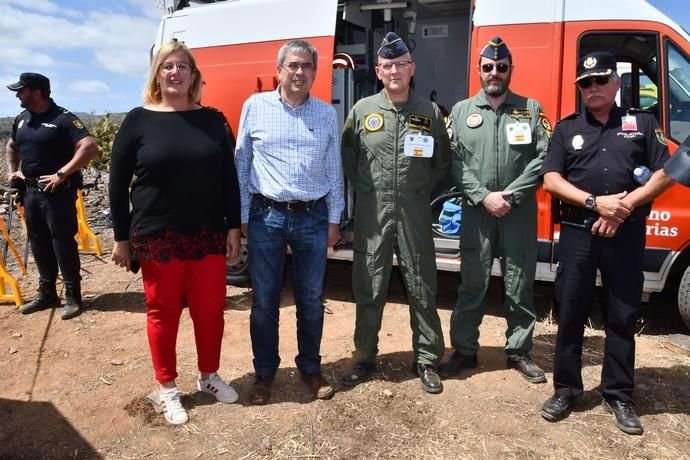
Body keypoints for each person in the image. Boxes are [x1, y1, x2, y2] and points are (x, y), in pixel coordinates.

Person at [539, 51, 674, 435]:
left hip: (625, 232)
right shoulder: (566, 130)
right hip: (579, 233)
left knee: (622, 313)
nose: (593, 88)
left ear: (616, 83)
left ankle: (618, 394)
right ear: (579, 89)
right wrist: (598, 204)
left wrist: (624, 207)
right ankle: (566, 389)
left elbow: (666, 173)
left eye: (600, 80)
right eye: (585, 83)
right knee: (569, 311)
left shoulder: (643, 123)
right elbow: (551, 179)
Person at [109, 41, 242, 425]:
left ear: (194, 75)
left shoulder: (214, 120)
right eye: (167, 66)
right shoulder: (137, 120)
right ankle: (167, 388)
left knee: (210, 311)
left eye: (183, 66)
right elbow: (117, 186)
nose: (175, 73)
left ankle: (209, 376)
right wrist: (121, 239)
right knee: (163, 313)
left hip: (207, 234)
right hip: (157, 235)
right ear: (156, 74)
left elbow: (228, 179)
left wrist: (233, 225)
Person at [235, 39, 344, 405]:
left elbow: (335, 170)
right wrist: (242, 215)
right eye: (292, 65)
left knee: (311, 300)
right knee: (264, 301)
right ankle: (264, 374)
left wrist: (333, 218)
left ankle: (310, 369)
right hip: (267, 215)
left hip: (313, 215)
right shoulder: (255, 106)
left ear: (315, 72)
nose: (299, 72)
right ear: (279, 70)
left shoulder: (326, 114)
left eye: (306, 66)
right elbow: (242, 162)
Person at [340, 32, 450, 394]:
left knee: (422, 285)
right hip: (373, 214)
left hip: (415, 213)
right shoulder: (362, 111)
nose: (395, 70)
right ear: (378, 71)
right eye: (388, 65)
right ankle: (365, 357)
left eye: (401, 64)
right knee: (369, 285)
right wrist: (370, 191)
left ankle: (427, 360)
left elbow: (441, 164)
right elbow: (349, 158)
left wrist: (416, 190)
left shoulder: (429, 112)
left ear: (412, 68)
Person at [438, 37, 550, 383]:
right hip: (477, 212)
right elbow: (452, 160)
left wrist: (511, 196)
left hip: (518, 214)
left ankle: (519, 352)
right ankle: (465, 350)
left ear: (510, 70)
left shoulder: (530, 109)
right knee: (472, 283)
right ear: (479, 71)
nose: (495, 73)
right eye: (488, 67)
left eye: (502, 67)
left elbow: (544, 157)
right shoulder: (460, 112)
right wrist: (483, 196)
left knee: (520, 285)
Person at [5, 73, 97, 320]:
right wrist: (12, 171)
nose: (17, 95)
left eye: (21, 90)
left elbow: (89, 146)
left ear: (36, 92)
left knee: (62, 242)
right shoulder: (22, 119)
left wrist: (62, 173)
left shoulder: (63, 119)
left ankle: (72, 296)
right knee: (37, 241)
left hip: (56, 192)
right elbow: (12, 145)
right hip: (31, 192)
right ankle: (47, 293)